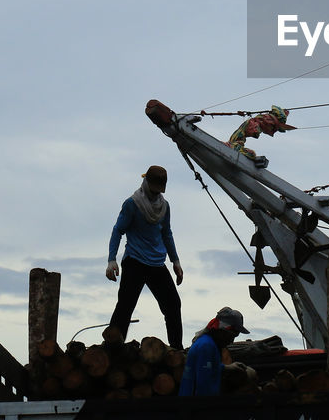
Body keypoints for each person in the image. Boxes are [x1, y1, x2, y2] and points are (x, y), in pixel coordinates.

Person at [106, 165, 184, 348]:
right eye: (153, 189)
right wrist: (111, 260)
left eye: (159, 190)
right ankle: (112, 347)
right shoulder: (132, 204)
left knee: (173, 305)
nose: (156, 194)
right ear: (146, 183)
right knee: (125, 307)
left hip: (157, 264)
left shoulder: (164, 206)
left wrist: (176, 261)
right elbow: (118, 230)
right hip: (135, 261)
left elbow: (167, 234)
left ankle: (177, 348)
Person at [179, 307, 250, 396]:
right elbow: (203, 384)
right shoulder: (206, 346)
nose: (231, 341)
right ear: (222, 331)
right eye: (232, 336)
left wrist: (227, 367)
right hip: (197, 406)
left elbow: (206, 367)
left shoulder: (206, 342)